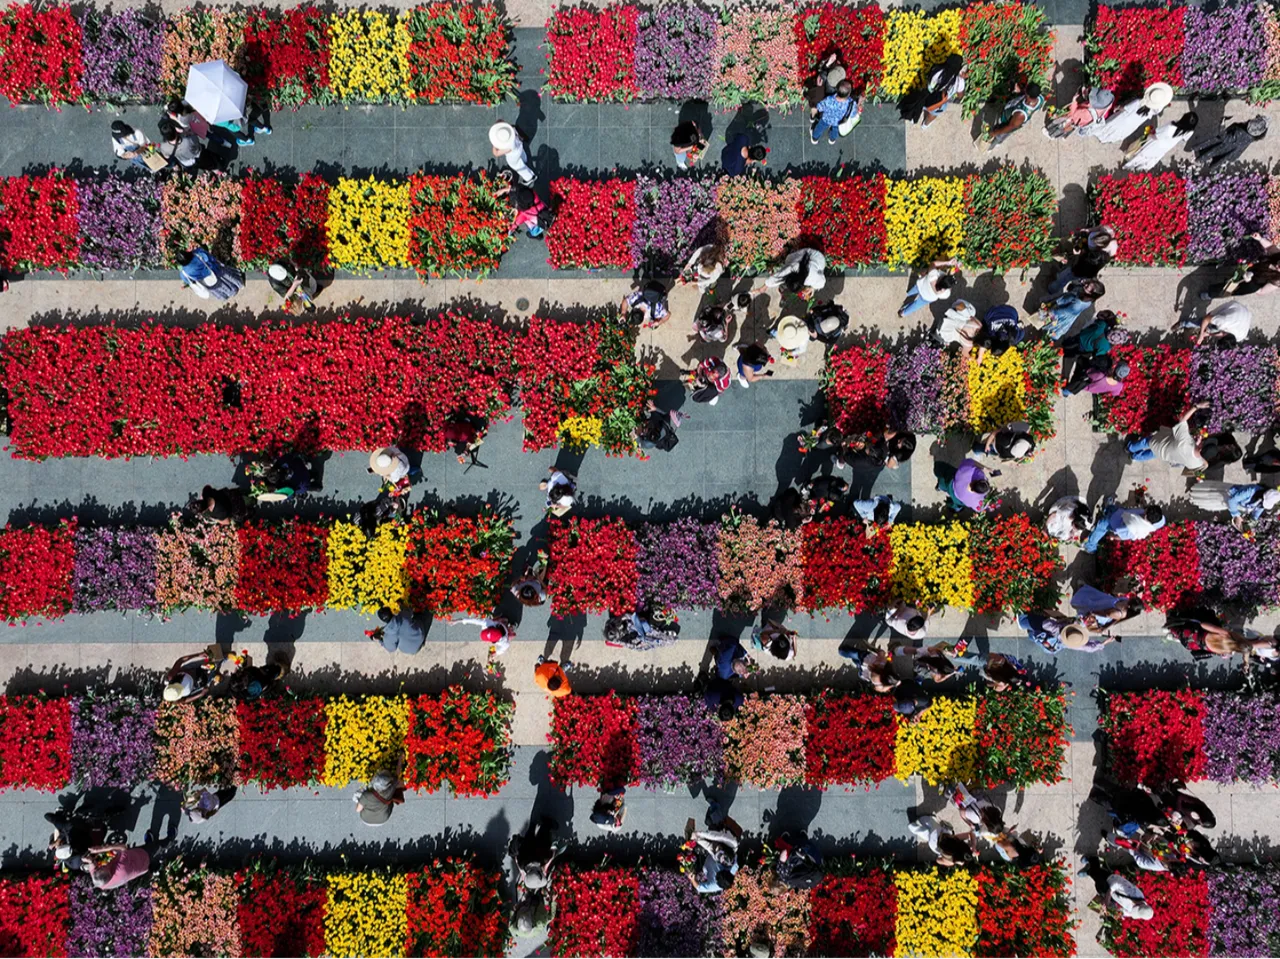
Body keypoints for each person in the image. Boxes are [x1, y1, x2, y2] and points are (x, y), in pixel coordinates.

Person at [1125, 402, 1209, 472]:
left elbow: (1182, 419)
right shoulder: (1196, 464)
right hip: (1164, 455)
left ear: (1201, 448)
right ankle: (1134, 457)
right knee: (1152, 454)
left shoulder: (1185, 441)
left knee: (1146, 442)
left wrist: (1196, 407)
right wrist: (1197, 445)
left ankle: (1130, 448)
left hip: (1160, 443)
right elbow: (1201, 459)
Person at [1090, 82, 1174, 145]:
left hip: (1124, 117)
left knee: (1112, 125)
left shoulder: (1139, 102)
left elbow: (1125, 108)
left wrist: (1118, 108)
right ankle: (1106, 139)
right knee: (1119, 131)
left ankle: (1101, 134)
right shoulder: (1156, 109)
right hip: (1134, 123)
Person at [900, 54, 965, 127]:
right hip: (940, 103)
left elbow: (929, 81)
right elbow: (960, 95)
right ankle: (925, 125)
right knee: (933, 114)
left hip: (926, 97)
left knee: (920, 106)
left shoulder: (937, 70)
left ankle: (914, 117)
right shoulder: (959, 81)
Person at [1049, 227, 1118, 296]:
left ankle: (1052, 289)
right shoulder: (1105, 253)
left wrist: (1077, 255)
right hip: (1086, 273)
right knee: (1065, 275)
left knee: (1064, 278)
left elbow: (1080, 262)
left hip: (1077, 271)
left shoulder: (1093, 256)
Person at [1082, 501, 1166, 554]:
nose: (1145, 509)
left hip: (1112, 522)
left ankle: (1090, 546)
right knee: (1114, 509)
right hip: (1120, 514)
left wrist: (1113, 537)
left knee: (1101, 528)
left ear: (1146, 515)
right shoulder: (1158, 521)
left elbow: (1122, 536)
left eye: (1146, 509)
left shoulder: (1133, 527)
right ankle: (1107, 509)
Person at [1124, 111, 1198, 171]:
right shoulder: (1190, 131)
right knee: (1150, 157)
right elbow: (1184, 140)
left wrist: (1148, 135)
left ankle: (1129, 164)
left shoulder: (1171, 126)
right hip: (1166, 147)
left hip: (1156, 143)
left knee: (1143, 153)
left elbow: (1156, 136)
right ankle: (1140, 167)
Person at [1194, 115, 1267, 172]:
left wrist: (1222, 124)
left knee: (1210, 151)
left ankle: (1199, 160)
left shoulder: (1239, 131)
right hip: (1232, 152)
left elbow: (1223, 137)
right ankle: (1206, 162)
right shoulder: (1251, 139)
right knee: (1218, 158)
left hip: (1222, 146)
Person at [1188, 481, 1280, 526]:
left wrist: (1252, 522)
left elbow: (1257, 512)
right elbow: (1232, 500)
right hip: (1226, 495)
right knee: (1209, 497)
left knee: (1211, 505)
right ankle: (1193, 494)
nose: (1262, 506)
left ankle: (1194, 500)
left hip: (1229, 504)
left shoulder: (1261, 503)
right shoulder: (1251, 490)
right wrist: (1237, 516)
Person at [1038, 279, 1105, 340]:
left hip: (1062, 316)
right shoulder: (1089, 300)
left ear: (1092, 294)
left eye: (1090, 288)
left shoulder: (1078, 305)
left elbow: (1061, 312)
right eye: (1088, 284)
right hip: (1067, 309)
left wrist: (1049, 312)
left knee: (1049, 327)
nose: (1086, 285)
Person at [985, 81, 1044, 149]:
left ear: (1028, 95)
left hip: (1006, 122)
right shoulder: (1040, 98)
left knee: (1000, 135)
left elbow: (1010, 127)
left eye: (1026, 89)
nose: (1024, 88)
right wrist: (1020, 91)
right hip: (1013, 117)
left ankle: (992, 146)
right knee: (1001, 132)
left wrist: (994, 133)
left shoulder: (1021, 113)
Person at [1044, 86, 1114, 139]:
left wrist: (1074, 101)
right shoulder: (1104, 108)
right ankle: (1063, 136)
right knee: (1068, 130)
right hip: (1080, 123)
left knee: (1060, 126)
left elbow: (1072, 114)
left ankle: (1050, 134)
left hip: (1072, 120)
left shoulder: (1086, 112)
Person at [511, 817, 560, 891]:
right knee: (529, 839)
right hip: (527, 842)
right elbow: (516, 859)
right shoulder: (522, 864)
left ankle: (546, 824)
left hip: (540, 841)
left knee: (548, 836)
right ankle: (533, 827)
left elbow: (553, 851)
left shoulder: (544, 859)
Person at [907, 813, 975, 867]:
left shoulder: (957, 842)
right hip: (934, 846)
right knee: (927, 835)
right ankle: (912, 827)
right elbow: (938, 860)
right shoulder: (951, 861)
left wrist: (973, 845)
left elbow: (971, 834)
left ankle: (923, 819)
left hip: (938, 833)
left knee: (931, 823)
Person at [178, 247, 244, 301]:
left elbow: (189, 281)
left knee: (219, 287)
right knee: (228, 277)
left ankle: (230, 293)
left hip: (206, 282)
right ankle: (239, 284)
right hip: (216, 270)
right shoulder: (198, 253)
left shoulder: (183, 273)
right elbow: (210, 258)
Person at [759, 248, 827, 299]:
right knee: (788, 261)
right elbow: (780, 275)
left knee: (789, 261)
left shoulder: (811, 278)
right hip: (813, 256)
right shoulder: (793, 268)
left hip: (818, 259)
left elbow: (822, 281)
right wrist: (765, 286)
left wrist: (812, 288)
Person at [690, 824, 740, 893]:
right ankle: (721, 829)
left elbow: (699, 888)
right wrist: (699, 833)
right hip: (725, 846)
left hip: (710, 859)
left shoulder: (714, 885)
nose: (716, 874)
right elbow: (717, 837)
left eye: (715, 877)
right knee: (713, 829)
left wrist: (692, 879)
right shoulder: (733, 864)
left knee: (709, 847)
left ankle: (703, 845)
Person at [810, 79, 863, 143]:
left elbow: (820, 107)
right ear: (848, 94)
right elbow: (853, 114)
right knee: (835, 131)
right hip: (838, 121)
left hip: (826, 119)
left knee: (820, 127)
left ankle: (814, 138)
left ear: (837, 89)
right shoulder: (850, 103)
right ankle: (832, 139)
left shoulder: (829, 99)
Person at [1179, 300, 1252, 346]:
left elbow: (1222, 334)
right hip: (1234, 307)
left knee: (1212, 328)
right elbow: (1206, 319)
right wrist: (1201, 334)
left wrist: (1208, 334)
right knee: (1202, 322)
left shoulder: (1240, 337)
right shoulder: (1224, 321)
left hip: (1245, 315)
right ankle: (1184, 323)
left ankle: (1188, 324)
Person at [1072, 586, 1143, 632]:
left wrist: (1093, 613)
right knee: (1091, 597)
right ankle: (1080, 592)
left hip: (1099, 610)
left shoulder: (1120, 613)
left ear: (1130, 606)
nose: (1133, 598)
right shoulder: (1126, 601)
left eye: (1134, 599)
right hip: (1104, 602)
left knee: (1087, 604)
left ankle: (1076, 600)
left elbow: (1106, 614)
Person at [85, 843, 151, 889]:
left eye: (99, 868)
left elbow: (93, 870)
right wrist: (101, 849)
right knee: (152, 849)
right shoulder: (121, 869)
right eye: (104, 866)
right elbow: (123, 847)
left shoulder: (100, 882)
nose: (103, 864)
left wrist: (89, 861)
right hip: (143, 858)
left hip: (138, 868)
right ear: (110, 872)